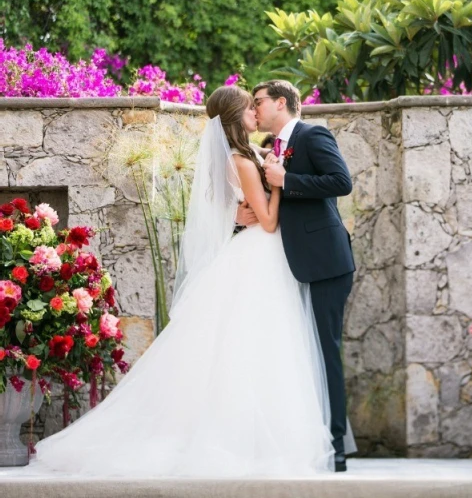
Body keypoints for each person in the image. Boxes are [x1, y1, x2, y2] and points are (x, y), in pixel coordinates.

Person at [31, 85, 334, 478]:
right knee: (254, 347)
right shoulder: (242, 159)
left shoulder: (249, 154)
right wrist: (278, 184)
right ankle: (249, 443)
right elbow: (271, 220)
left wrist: (255, 196)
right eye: (248, 109)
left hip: (256, 253)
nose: (254, 115)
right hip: (259, 255)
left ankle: (256, 439)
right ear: (234, 117)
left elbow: (240, 210)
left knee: (253, 347)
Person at [236, 80, 354, 472]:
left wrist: (289, 181)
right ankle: (310, 440)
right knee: (301, 354)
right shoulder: (271, 149)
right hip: (289, 266)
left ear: (281, 103)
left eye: (260, 102)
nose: (256, 108)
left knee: (326, 351)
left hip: (325, 263)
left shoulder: (312, 134)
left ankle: (336, 447)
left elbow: (342, 182)